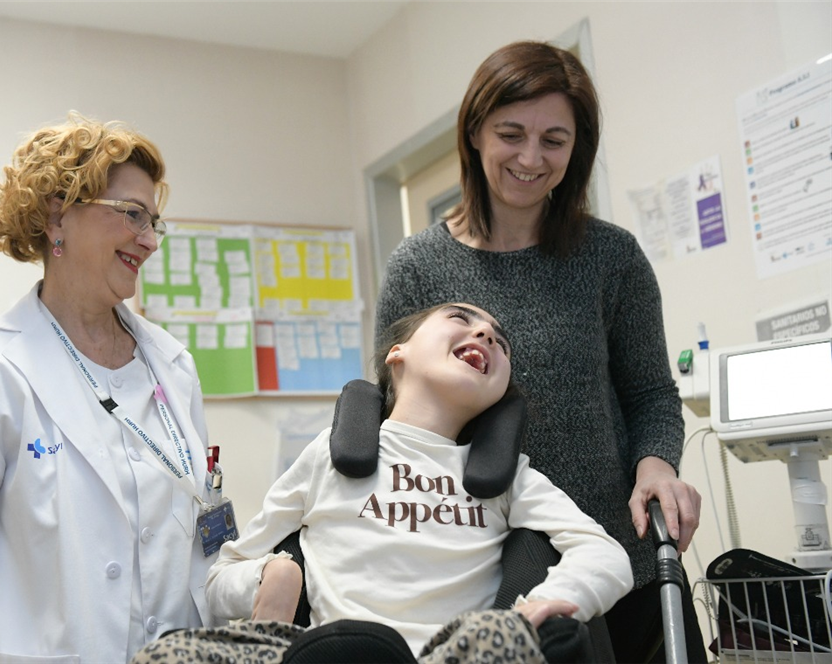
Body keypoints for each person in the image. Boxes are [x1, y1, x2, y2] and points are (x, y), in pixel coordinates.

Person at [373, 41, 705, 663]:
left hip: (621, 559)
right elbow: (396, 418)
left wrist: (656, 465)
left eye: (554, 139)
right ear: (475, 132)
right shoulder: (418, 266)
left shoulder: (611, 258)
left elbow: (651, 394)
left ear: (577, 148)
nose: (531, 158)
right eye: (511, 133)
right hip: (479, 575)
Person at [0, 114, 219, 663]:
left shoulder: (172, 367)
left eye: (155, 221)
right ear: (58, 214)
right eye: (133, 215)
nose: (150, 240)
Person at [134, 302, 633, 664]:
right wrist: (271, 578)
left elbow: (606, 555)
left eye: (500, 343)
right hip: (334, 652)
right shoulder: (326, 458)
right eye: (462, 320)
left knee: (499, 640)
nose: (485, 335)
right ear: (398, 353)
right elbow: (221, 576)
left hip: (459, 651)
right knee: (166, 656)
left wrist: (542, 606)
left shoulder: (512, 477)